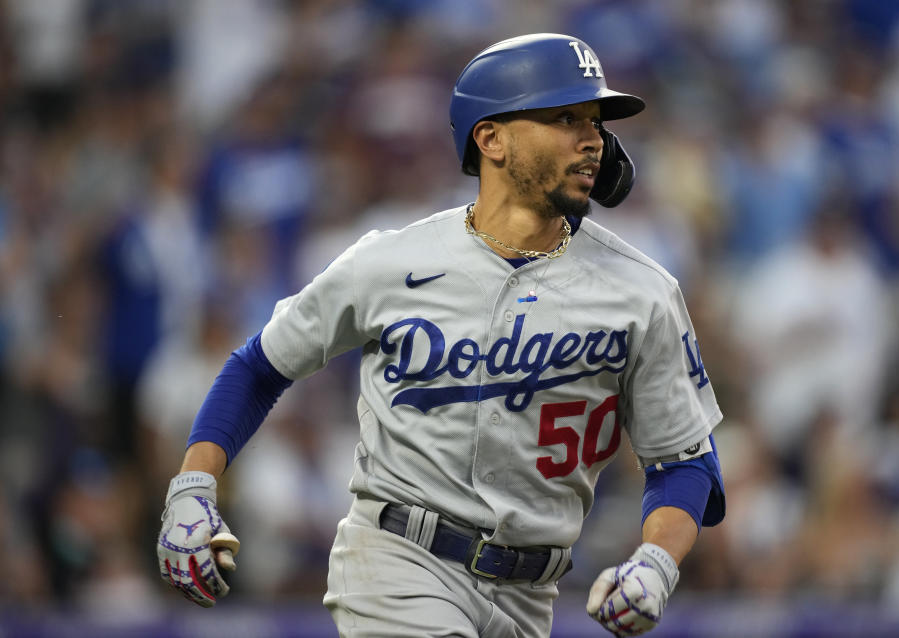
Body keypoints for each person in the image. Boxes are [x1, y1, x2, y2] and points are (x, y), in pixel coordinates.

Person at [157, 33, 725, 637]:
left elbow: (684, 462)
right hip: (400, 559)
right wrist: (193, 484)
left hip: (532, 594)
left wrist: (658, 561)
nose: (593, 140)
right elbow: (259, 367)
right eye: (565, 118)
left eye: (594, 121)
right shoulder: (390, 262)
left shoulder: (643, 291)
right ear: (492, 138)